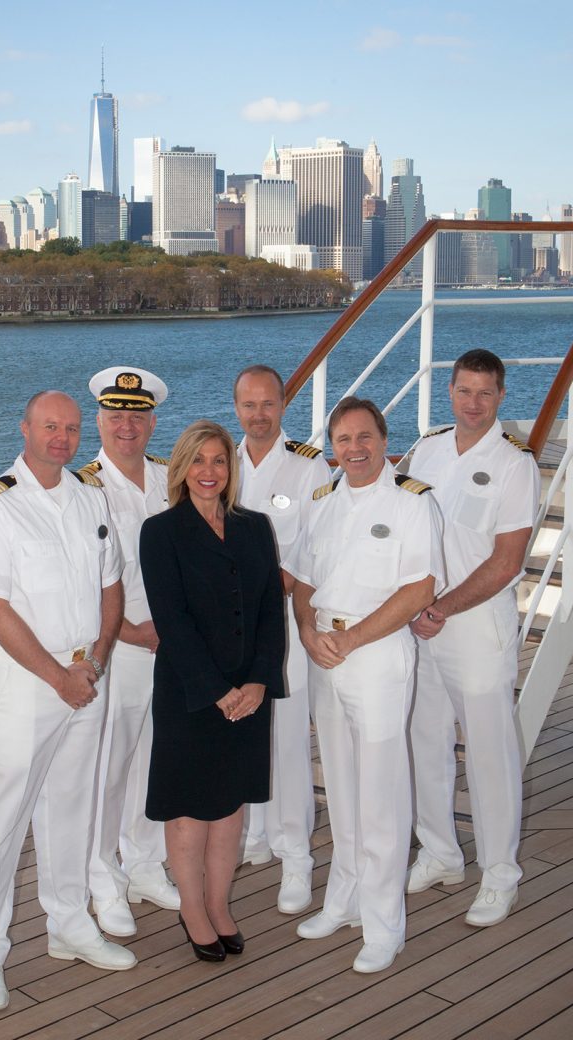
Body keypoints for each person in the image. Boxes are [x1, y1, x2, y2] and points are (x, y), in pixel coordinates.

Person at [0, 390, 134, 1015]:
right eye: (50, 426)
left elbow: (111, 587)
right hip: (28, 684)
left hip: (87, 674)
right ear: (25, 428)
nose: (62, 437)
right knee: (4, 818)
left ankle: (70, 924)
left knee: (72, 807)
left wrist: (96, 662)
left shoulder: (91, 498)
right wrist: (60, 677)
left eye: (72, 428)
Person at [284, 397, 444, 974]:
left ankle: (384, 925)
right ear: (332, 447)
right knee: (342, 786)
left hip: (375, 654)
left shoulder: (412, 502)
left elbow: (420, 588)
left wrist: (350, 640)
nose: (354, 449)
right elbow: (304, 581)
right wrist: (307, 630)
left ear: (384, 439)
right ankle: (344, 900)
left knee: (381, 795)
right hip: (324, 652)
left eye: (363, 437)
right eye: (343, 440)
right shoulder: (322, 502)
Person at [139, 420, 286, 962]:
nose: (209, 471)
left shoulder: (255, 526)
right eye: (198, 460)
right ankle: (192, 909)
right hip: (190, 692)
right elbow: (171, 620)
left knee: (230, 804)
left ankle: (219, 905)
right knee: (189, 806)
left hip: (249, 690)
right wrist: (217, 690)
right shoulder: (160, 532)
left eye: (219, 460)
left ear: (231, 468)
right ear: (181, 468)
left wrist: (259, 680)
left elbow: (270, 610)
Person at [406, 349, 540, 926]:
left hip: (477, 628)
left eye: (485, 393)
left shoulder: (515, 464)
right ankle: (439, 852)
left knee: (490, 754)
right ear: (450, 391)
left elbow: (506, 561)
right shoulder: (428, 449)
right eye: (464, 391)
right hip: (422, 625)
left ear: (501, 396)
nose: (473, 403)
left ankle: (499, 874)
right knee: (425, 742)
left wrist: (440, 607)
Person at [82, 367, 180, 938]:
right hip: (118, 648)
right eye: (116, 415)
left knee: (153, 761)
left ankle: (144, 864)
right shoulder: (84, 488)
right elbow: (83, 581)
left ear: (153, 422)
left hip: (169, 647)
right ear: (99, 421)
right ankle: (102, 878)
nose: (127, 426)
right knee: (109, 767)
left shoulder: (171, 479)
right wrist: (129, 632)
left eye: (137, 416)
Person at [233, 364, 330, 915]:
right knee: (243, 728)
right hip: (231, 625)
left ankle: (296, 855)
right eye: (249, 405)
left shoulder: (308, 467)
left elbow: (314, 544)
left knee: (289, 739)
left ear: (283, 405)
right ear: (237, 408)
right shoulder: (221, 465)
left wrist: (267, 593)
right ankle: (254, 833)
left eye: (268, 404)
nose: (259, 415)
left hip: (284, 622)